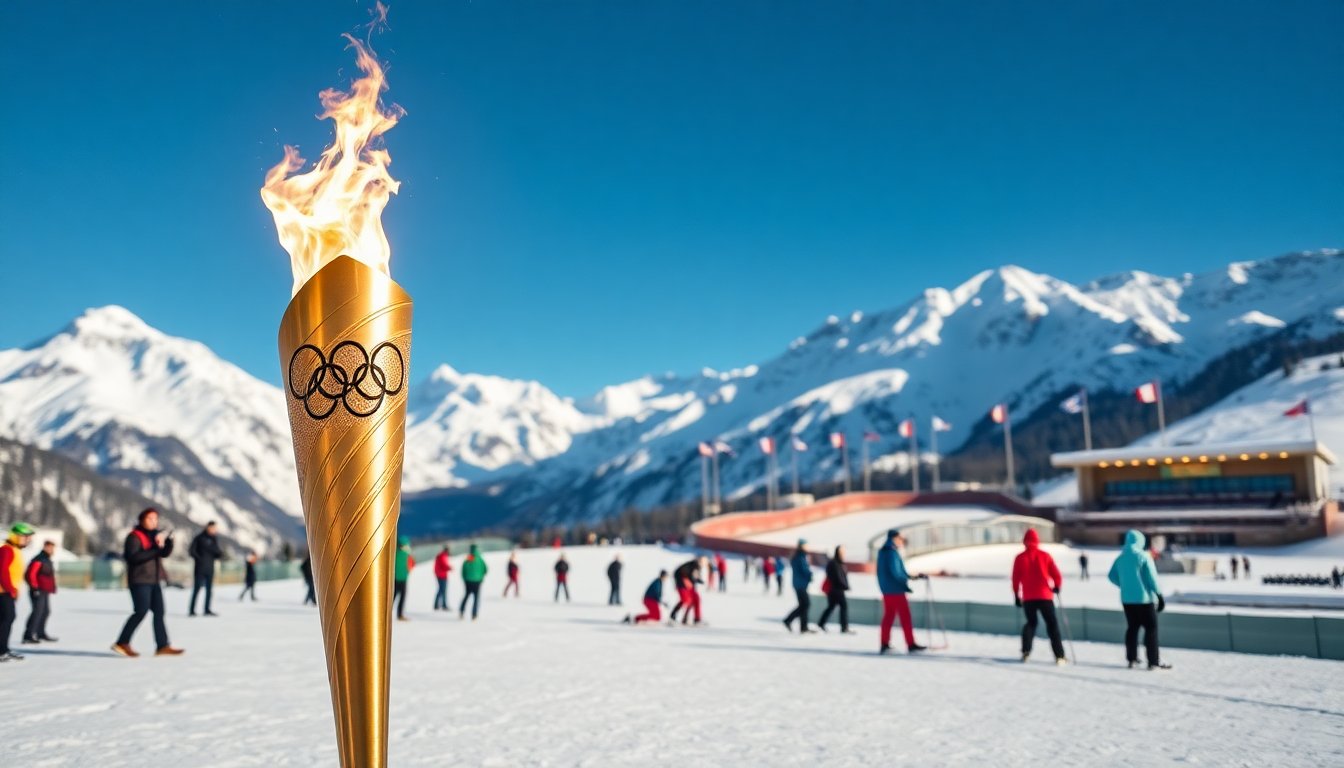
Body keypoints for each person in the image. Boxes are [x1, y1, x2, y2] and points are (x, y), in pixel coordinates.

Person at [112, 508, 184, 657]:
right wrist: (156, 549)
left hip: (154, 580)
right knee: (141, 611)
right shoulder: (134, 537)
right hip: (139, 580)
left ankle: (162, 645)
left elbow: (163, 553)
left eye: (155, 519)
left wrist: (169, 543)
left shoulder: (154, 537)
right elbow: (133, 557)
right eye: (150, 519)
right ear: (142, 520)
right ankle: (122, 642)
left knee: (159, 612)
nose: (153, 522)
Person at [1108, 530, 1170, 670]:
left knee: (1132, 628)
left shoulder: (1120, 558)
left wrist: (1125, 585)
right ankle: (1153, 661)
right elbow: (1152, 578)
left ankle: (1132, 658)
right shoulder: (1143, 556)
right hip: (1144, 599)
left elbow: (1111, 576)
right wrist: (1159, 595)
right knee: (1151, 629)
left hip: (1127, 600)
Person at [1012, 530, 1066, 665]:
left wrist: (1017, 595)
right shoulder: (1045, 556)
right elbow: (1056, 574)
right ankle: (1059, 655)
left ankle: (1025, 651)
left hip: (1028, 597)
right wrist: (1057, 585)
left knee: (1031, 623)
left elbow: (1015, 579)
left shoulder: (1020, 558)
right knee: (1052, 624)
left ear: (1024, 541)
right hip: (1045, 596)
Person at [877, 529, 926, 655]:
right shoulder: (891, 552)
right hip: (896, 590)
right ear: (894, 538)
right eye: (900, 538)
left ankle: (884, 643)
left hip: (887, 590)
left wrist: (910, 577)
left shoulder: (883, 551)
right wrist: (909, 579)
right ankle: (910, 644)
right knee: (905, 617)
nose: (901, 541)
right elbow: (896, 572)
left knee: (889, 616)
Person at [1, 523, 34, 661]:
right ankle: (1, 651)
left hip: (7, 591)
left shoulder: (14, 550)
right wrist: (10, 589)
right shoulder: (7, 550)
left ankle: (4, 649)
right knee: (6, 619)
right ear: (15, 536)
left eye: (28, 537)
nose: (27, 540)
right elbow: (2, 571)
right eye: (24, 537)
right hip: (3, 592)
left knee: (7, 619)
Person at [23, 539, 59, 644]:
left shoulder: (46, 559)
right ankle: (28, 635)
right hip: (38, 590)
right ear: (45, 547)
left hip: (45, 590)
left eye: (53, 548)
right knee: (37, 612)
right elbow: (30, 574)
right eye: (50, 548)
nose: (52, 550)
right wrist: (35, 588)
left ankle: (40, 633)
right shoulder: (39, 559)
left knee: (45, 611)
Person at [187, 521, 223, 617]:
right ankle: (191, 610)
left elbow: (217, 553)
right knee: (197, 589)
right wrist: (199, 559)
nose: (214, 530)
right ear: (208, 527)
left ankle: (207, 609)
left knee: (209, 590)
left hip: (210, 568)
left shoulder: (214, 539)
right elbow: (191, 551)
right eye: (212, 528)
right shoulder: (199, 538)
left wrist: (219, 553)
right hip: (200, 568)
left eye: (215, 528)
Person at [782, 540, 815, 633]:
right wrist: (809, 575)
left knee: (804, 605)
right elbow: (804, 570)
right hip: (800, 584)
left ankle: (803, 627)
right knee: (805, 604)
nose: (808, 547)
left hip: (800, 584)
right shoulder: (800, 557)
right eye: (806, 545)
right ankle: (789, 620)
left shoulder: (800, 556)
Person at [817, 545, 851, 633]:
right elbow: (836, 577)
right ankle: (844, 627)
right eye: (842, 552)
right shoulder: (834, 563)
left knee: (831, 607)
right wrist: (844, 585)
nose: (843, 554)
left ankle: (821, 623)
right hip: (835, 589)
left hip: (837, 589)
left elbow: (842, 576)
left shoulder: (840, 563)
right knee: (843, 606)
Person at [669, 556, 706, 625]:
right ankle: (673, 615)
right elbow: (682, 572)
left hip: (690, 586)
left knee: (696, 599)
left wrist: (698, 580)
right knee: (685, 600)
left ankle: (696, 619)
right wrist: (684, 580)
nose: (703, 564)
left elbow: (695, 577)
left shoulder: (697, 567)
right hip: (682, 585)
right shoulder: (691, 565)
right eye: (702, 562)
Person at [460, 543, 487, 620]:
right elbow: (485, 569)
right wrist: (480, 576)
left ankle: (462, 611)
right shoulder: (480, 559)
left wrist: (465, 579)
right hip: (477, 581)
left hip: (468, 581)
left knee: (466, 595)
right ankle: (474, 614)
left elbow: (463, 570)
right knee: (476, 598)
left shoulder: (468, 559)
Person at [394, 537, 414, 621]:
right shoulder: (407, 555)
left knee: (392, 597)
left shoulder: (394, 553)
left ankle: (385, 614)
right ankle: (400, 615)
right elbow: (411, 564)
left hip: (395, 579)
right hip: (403, 579)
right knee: (402, 597)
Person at [433, 545, 452, 611]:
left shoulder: (441, 555)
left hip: (440, 574)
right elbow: (444, 565)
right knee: (442, 590)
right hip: (442, 575)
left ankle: (439, 605)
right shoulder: (443, 556)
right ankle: (441, 605)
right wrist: (449, 568)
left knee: (441, 590)